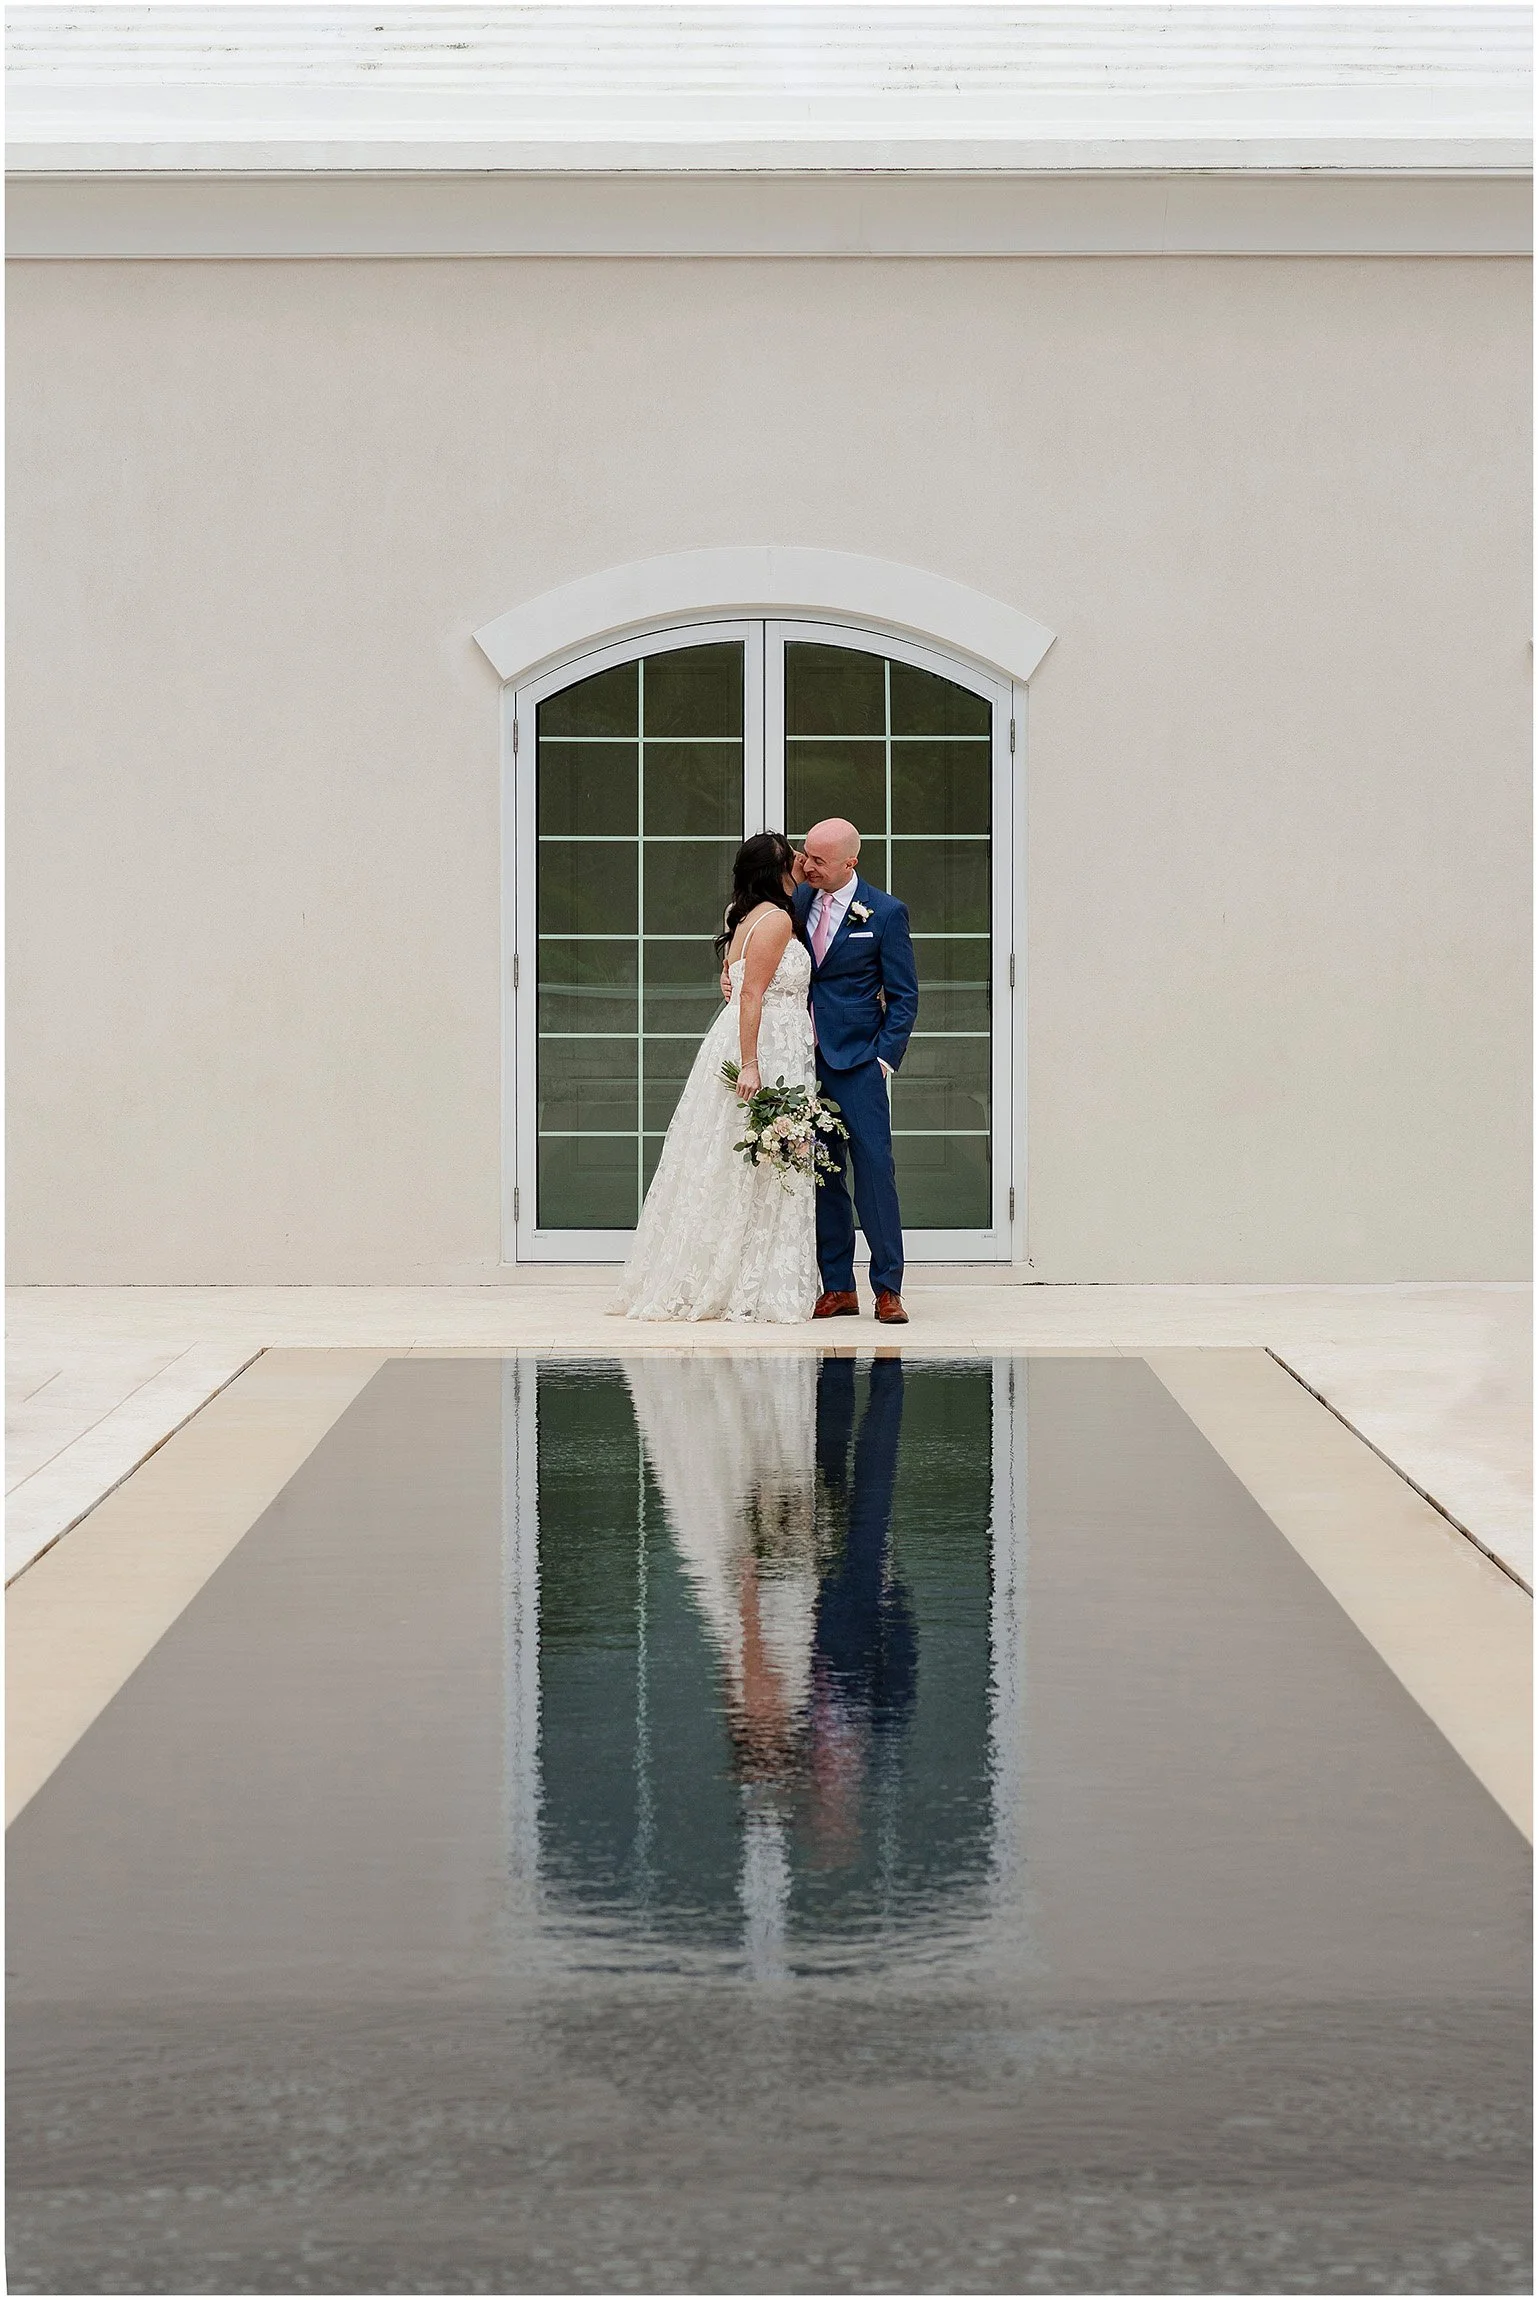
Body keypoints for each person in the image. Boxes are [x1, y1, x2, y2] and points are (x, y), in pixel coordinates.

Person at [611, 831, 818, 1322]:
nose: (801, 863)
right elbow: (751, 996)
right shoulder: (774, 920)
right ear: (776, 871)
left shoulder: (740, 914)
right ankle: (748, 1279)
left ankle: (728, 1266)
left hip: (763, 1036)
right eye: (793, 857)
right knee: (761, 1160)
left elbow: (738, 980)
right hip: (766, 1042)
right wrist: (751, 1063)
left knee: (735, 1159)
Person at [792, 819, 919, 1324]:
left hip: (860, 1062)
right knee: (823, 1174)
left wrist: (884, 1057)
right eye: (805, 856)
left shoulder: (885, 913)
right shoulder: (797, 903)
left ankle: (888, 1288)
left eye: (819, 860)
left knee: (874, 1174)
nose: (808, 865)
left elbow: (905, 996)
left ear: (851, 863)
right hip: (805, 1060)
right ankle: (838, 1286)